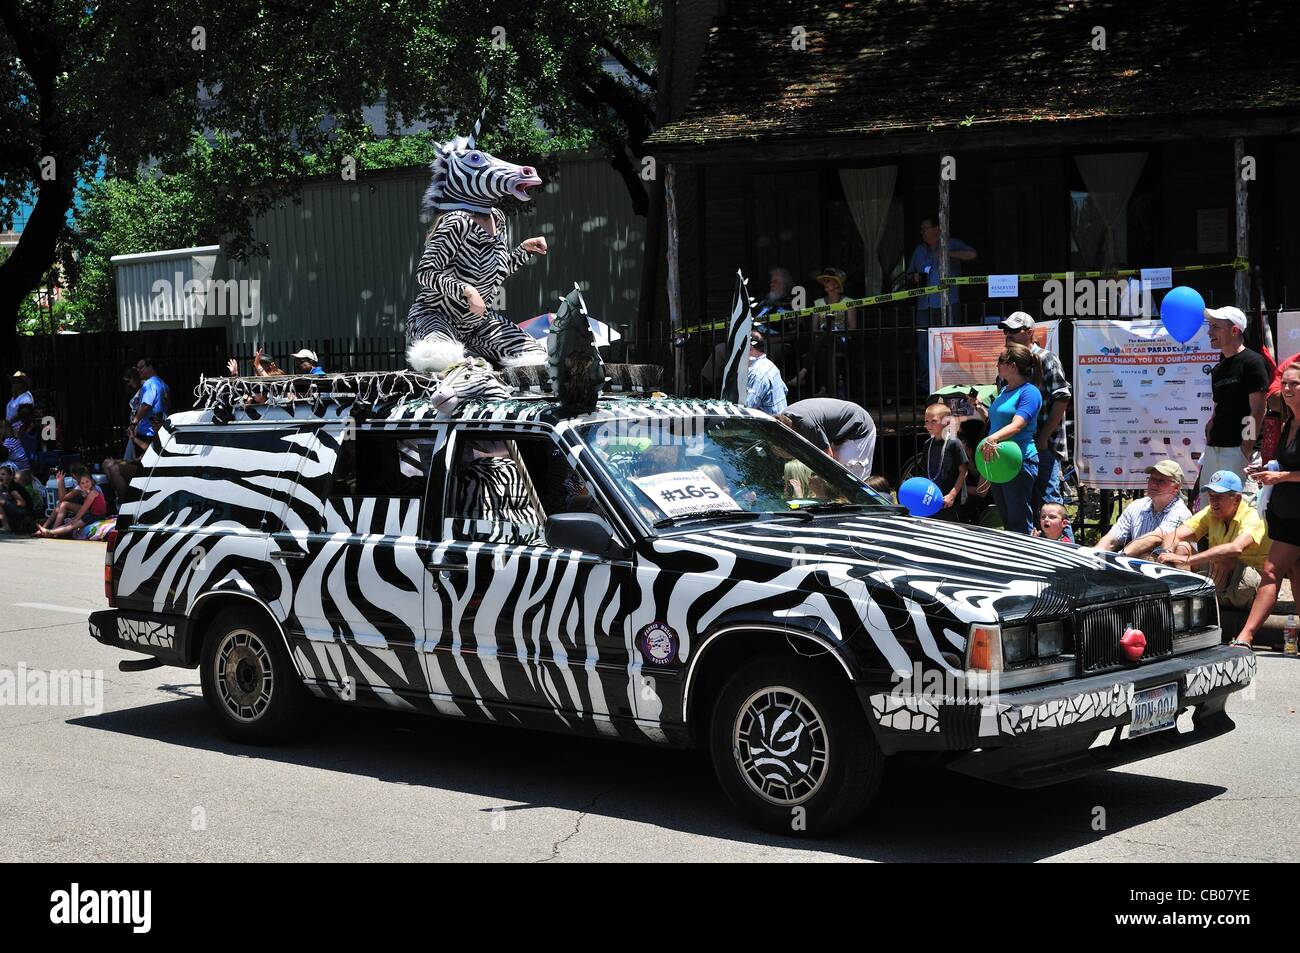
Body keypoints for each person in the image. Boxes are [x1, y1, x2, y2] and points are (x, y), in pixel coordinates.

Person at [1233, 362, 1300, 647]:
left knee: (1272, 570)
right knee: (1296, 572)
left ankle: (1245, 636)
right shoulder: (1288, 423)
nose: (1286, 389)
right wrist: (1264, 468)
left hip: (1298, 516)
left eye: (1294, 384)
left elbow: (1288, 471)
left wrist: (1280, 475)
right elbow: (1286, 462)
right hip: (1284, 512)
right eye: (1284, 383)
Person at [1158, 470, 1270, 612]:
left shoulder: (1252, 516)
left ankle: (1202, 606)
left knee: (1223, 558)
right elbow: (1174, 535)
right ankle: (1183, 604)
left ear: (1237, 499)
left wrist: (1188, 560)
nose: (1213, 502)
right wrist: (1167, 554)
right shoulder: (1211, 511)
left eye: (1218, 497)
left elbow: (1236, 548)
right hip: (1222, 578)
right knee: (1181, 547)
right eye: (1211, 496)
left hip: (1252, 585)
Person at [998, 312, 1071, 515]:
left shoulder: (1047, 359)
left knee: (1049, 508)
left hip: (1043, 446)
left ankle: (1064, 546)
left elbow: (1062, 398)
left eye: (1014, 330)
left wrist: (1044, 438)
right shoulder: (1006, 365)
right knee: (1022, 508)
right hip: (1016, 448)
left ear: (1030, 332)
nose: (1008, 334)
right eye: (1006, 330)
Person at [974, 343, 1041, 534]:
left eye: (1000, 362)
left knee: (1019, 519)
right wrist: (982, 411)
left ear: (1012, 366)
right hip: (999, 462)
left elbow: (1018, 424)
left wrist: (991, 439)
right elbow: (997, 423)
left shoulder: (1030, 392)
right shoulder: (1004, 390)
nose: (997, 366)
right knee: (1007, 519)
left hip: (1019, 461)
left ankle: (1029, 559)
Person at [1202, 305, 1269, 496]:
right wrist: (1210, 428)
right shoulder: (1218, 369)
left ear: (1234, 330)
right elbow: (1217, 407)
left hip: (1238, 450)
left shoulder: (1252, 362)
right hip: (1214, 449)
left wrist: (1246, 448)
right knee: (1209, 509)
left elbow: (1257, 410)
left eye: (1215, 327)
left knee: (1241, 509)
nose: (1209, 332)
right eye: (1210, 326)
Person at [907, 215, 976, 389]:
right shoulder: (919, 251)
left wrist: (947, 253)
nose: (922, 232)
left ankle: (951, 382)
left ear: (936, 229)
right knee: (924, 344)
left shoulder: (950, 243)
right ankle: (927, 384)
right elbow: (909, 275)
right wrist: (914, 277)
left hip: (948, 303)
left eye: (925, 228)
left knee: (949, 342)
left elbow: (972, 254)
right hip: (925, 305)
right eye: (921, 229)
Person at [1092, 460, 1192, 558]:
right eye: (1152, 479)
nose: (1153, 484)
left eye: (1161, 481)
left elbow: (1155, 538)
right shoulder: (1137, 505)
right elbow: (1112, 539)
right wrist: (1094, 556)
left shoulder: (1180, 511)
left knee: (1147, 557)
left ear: (1176, 487)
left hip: (1168, 568)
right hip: (1135, 563)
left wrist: (1120, 556)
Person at [776, 397, 877, 479]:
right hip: (839, 431)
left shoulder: (807, 425)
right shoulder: (783, 418)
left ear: (792, 430)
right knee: (834, 476)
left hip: (858, 427)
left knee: (849, 477)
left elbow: (827, 458)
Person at [920, 402, 969, 521]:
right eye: (926, 421)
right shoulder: (928, 444)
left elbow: (963, 471)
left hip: (949, 501)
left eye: (933, 421)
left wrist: (952, 495)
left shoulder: (954, 443)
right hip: (932, 497)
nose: (929, 425)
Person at [36, 471, 108, 538]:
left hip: (96, 516)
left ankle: (50, 532)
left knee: (72, 525)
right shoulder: (88, 492)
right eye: (82, 483)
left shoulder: (93, 493)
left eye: (87, 482)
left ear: (92, 482)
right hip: (92, 515)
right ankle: (50, 531)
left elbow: (84, 508)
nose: (85, 484)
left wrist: (76, 518)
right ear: (80, 486)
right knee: (70, 524)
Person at [129, 357, 170, 453]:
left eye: (141, 367)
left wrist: (134, 423)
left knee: (142, 464)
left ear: (150, 367)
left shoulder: (150, 383)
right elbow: (168, 404)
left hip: (146, 432)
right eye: (137, 368)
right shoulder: (163, 383)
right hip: (159, 431)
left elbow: (145, 405)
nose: (138, 370)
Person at [745, 329, 788, 416]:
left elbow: (748, 408)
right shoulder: (770, 366)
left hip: (768, 425)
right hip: (780, 421)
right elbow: (785, 390)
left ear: (750, 348)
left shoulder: (756, 374)